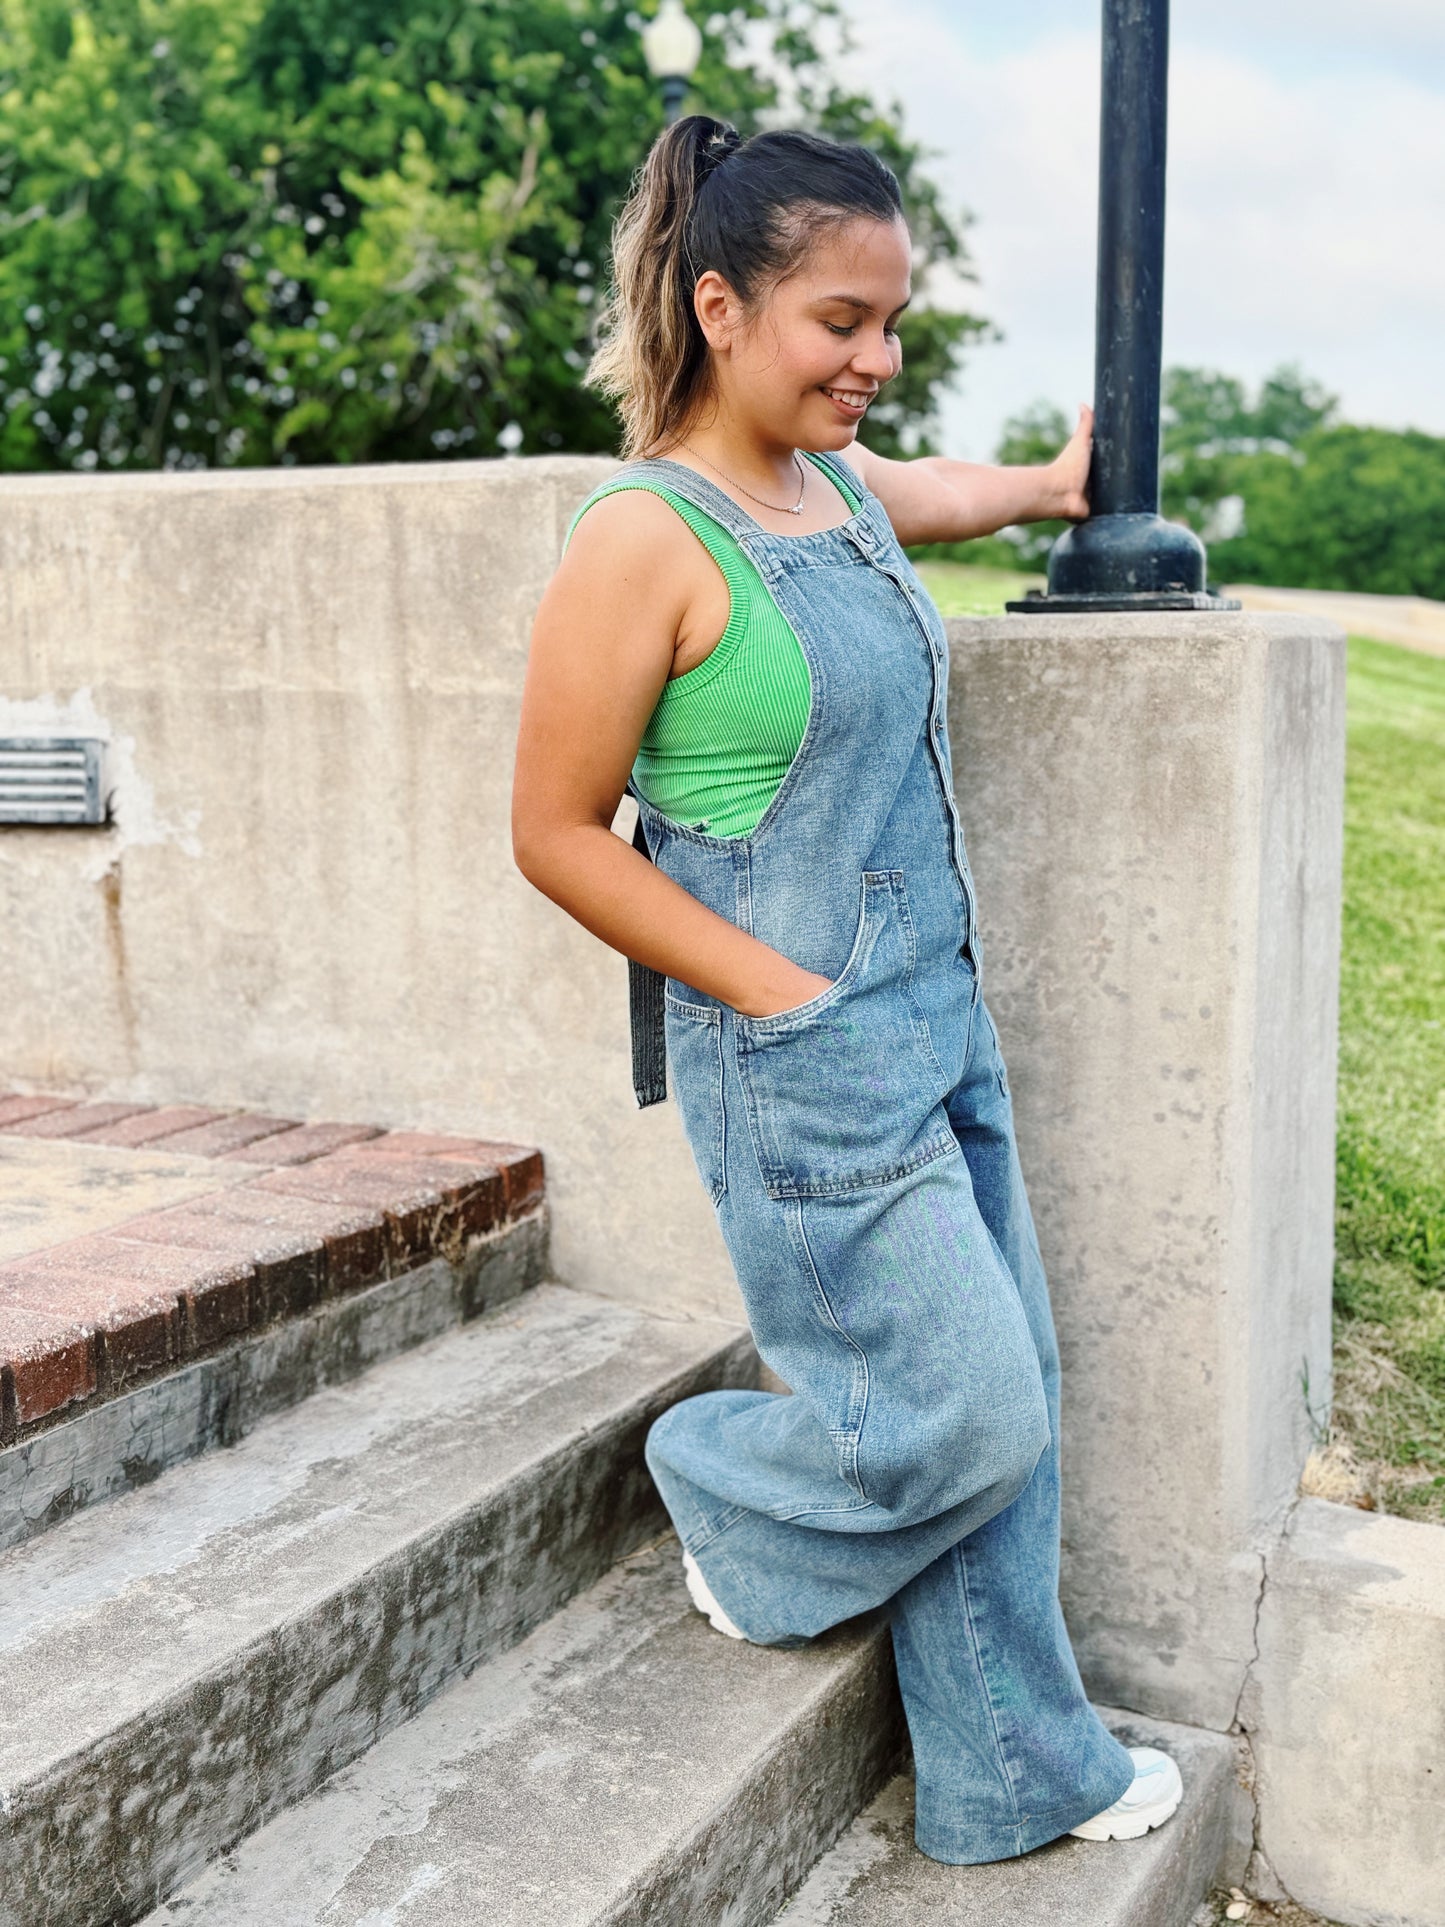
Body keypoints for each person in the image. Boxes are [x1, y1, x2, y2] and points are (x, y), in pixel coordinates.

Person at [511, 114, 1183, 1865]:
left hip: (936, 1029)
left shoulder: (830, 494)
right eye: (840, 323)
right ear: (720, 307)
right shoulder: (641, 541)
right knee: (971, 1411)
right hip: (800, 1058)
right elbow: (558, 835)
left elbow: (934, 498)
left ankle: (1012, 1773)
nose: (876, 360)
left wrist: (1046, 489)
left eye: (892, 325)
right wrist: (788, 995)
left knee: (1009, 1395)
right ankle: (732, 1494)